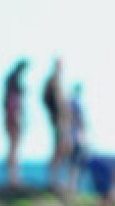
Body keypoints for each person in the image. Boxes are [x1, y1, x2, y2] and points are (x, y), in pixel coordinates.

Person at [41, 57, 71, 191]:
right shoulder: (53, 81)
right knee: (59, 147)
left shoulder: (57, 81)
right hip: (58, 120)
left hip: (62, 120)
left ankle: (56, 178)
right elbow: (46, 99)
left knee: (63, 148)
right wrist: (53, 113)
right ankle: (53, 179)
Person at [2, 58, 27, 187]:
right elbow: (13, 106)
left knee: (13, 147)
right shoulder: (13, 88)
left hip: (11, 118)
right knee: (14, 148)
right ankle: (13, 177)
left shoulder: (10, 83)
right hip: (13, 119)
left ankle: (13, 177)